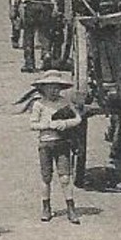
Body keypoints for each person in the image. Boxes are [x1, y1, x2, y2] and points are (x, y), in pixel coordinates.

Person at [28, 70, 83, 224]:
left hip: (62, 142)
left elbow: (78, 118)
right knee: (46, 177)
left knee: (65, 177)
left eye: (56, 87)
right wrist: (48, 125)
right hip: (46, 143)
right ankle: (46, 207)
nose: (53, 90)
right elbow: (32, 124)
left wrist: (64, 123)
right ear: (43, 88)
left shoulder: (64, 102)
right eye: (50, 87)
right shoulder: (39, 104)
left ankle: (71, 208)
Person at [12, 0, 62, 72]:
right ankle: (46, 54)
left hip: (30, 5)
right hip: (45, 5)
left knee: (28, 34)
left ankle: (29, 64)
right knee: (44, 32)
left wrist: (14, 10)